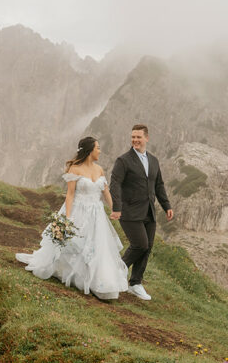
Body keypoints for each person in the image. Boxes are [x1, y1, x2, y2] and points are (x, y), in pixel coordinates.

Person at [16, 137, 130, 299]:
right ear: (90, 150)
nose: (100, 150)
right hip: (78, 211)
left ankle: (99, 280)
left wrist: (115, 209)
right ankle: (74, 273)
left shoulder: (99, 170)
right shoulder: (74, 169)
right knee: (76, 244)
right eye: (97, 148)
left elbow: (105, 192)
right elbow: (70, 195)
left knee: (97, 246)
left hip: (96, 215)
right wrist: (67, 219)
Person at [109, 124, 173, 300]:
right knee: (140, 245)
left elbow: (158, 185)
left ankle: (136, 283)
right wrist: (117, 207)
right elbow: (114, 184)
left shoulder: (153, 160)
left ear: (147, 138)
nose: (135, 140)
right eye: (133, 137)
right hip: (129, 211)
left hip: (149, 211)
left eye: (138, 137)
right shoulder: (123, 160)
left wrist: (167, 205)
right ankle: (116, 271)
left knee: (147, 248)